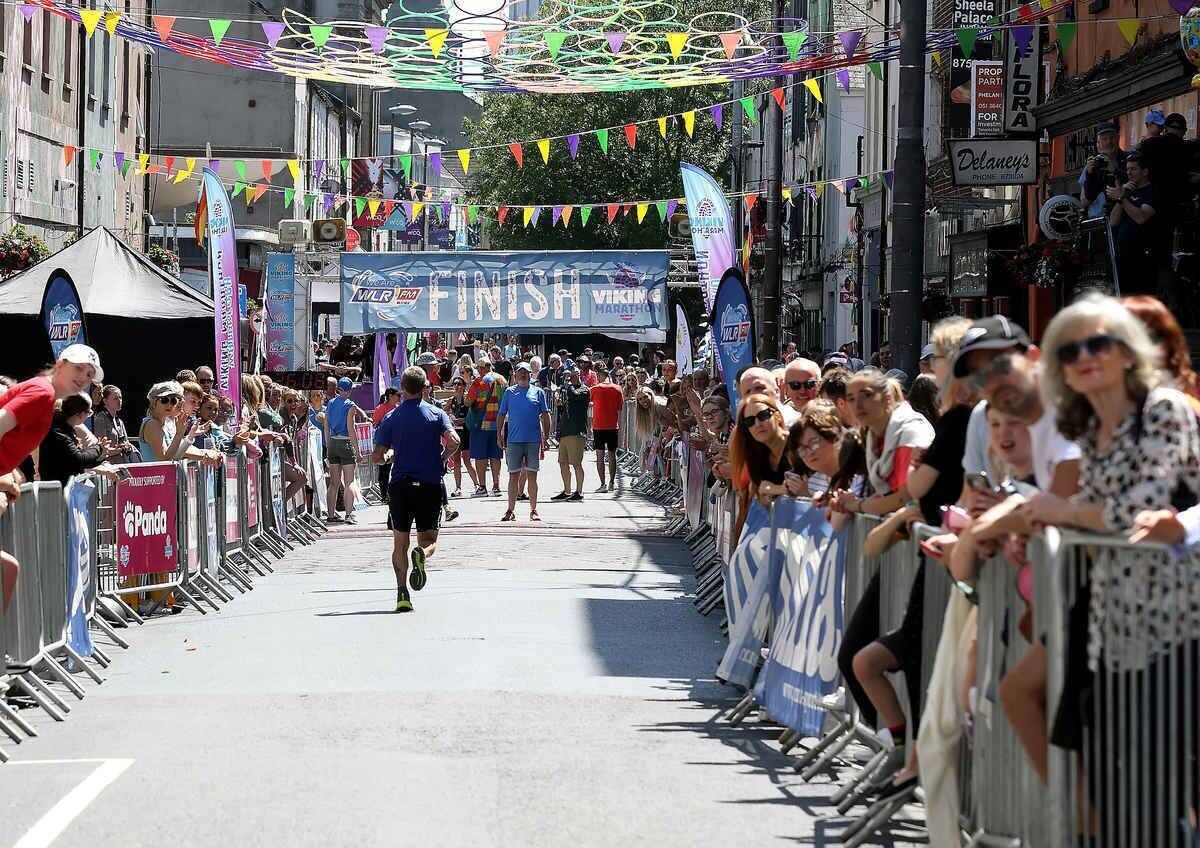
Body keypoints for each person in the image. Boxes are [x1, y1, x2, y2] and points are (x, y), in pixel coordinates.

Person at [1023, 294, 1200, 832]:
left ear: (1129, 352)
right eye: (1069, 351)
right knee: (1108, 781)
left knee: (1160, 791)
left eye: (1098, 343)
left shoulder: (1163, 409)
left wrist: (1063, 510)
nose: (1084, 357)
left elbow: (1137, 510)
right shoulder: (1089, 429)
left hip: (1181, 625)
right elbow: (1105, 518)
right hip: (1113, 627)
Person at [371, 366, 460, 613]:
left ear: (402, 390)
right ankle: (421, 553)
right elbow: (455, 441)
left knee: (400, 542)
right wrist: (442, 457)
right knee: (429, 539)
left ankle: (402, 593)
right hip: (429, 483)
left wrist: (390, 456)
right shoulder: (436, 413)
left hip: (400, 485)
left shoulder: (391, 417)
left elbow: (376, 457)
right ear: (424, 388)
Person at [0, 345, 103, 484]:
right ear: (60, 365)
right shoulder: (43, 392)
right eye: (78, 368)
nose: (84, 377)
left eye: (89, 375)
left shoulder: (47, 397)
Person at [496, 362, 550, 522]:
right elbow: (501, 414)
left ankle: (534, 509)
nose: (523, 375)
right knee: (513, 476)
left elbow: (545, 415)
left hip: (533, 441)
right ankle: (510, 509)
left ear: (530, 374)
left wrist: (546, 437)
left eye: (526, 372)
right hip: (514, 440)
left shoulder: (538, 392)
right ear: (515, 375)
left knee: (532, 476)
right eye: (520, 372)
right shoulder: (509, 392)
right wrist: (498, 435)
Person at [1107, 150, 1164, 296]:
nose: (1129, 173)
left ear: (1145, 172)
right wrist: (1122, 196)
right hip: (1124, 257)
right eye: (1127, 169)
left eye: (1133, 169)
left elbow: (1141, 217)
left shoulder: (1153, 191)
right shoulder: (1127, 192)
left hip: (1143, 259)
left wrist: (1122, 198)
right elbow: (1113, 222)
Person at [37, 395, 121, 485]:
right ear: (80, 414)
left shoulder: (64, 429)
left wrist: (102, 452)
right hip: (56, 490)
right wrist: (99, 448)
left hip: (62, 487)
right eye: (89, 413)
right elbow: (79, 460)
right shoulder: (58, 433)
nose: (88, 416)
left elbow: (79, 458)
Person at [728, 393, 794, 505]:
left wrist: (774, 489)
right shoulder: (757, 455)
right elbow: (761, 498)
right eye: (750, 421)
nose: (757, 424)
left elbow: (808, 489)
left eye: (763, 415)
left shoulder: (798, 444)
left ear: (777, 416)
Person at [324, 377, 364, 524]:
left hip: (333, 443)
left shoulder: (330, 403)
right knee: (349, 481)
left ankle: (330, 515)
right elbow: (351, 428)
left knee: (333, 483)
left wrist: (328, 445)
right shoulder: (350, 405)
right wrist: (357, 450)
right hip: (345, 443)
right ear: (350, 390)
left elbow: (326, 426)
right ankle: (348, 514)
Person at [466, 360, 505, 496]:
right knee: (496, 457)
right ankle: (496, 486)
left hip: (481, 424)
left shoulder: (478, 382)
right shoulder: (501, 380)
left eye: (479, 368)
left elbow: (468, 401)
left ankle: (482, 487)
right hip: (497, 424)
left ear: (482, 368)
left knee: (480, 457)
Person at [552, 366, 590, 501]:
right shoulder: (568, 389)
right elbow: (568, 407)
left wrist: (568, 384)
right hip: (565, 430)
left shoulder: (584, 389)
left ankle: (579, 491)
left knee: (576, 463)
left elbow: (575, 395)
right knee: (563, 462)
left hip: (577, 431)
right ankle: (567, 490)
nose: (570, 377)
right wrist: (560, 405)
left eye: (573, 374)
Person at [1080, 123, 1127, 218]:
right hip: (1099, 218)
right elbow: (1084, 201)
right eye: (1104, 139)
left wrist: (1114, 170)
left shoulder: (1128, 159)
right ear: (1098, 143)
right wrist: (1090, 175)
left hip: (1124, 216)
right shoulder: (1093, 165)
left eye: (1112, 138)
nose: (1109, 142)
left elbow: (1136, 184)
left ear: (1118, 138)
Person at [590, 365, 624, 493]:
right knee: (612, 455)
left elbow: (590, 401)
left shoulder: (594, 389)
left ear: (599, 376)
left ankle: (602, 483)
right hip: (612, 425)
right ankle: (612, 483)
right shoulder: (617, 388)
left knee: (599, 456)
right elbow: (620, 407)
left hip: (598, 425)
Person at [92, 385, 140, 462]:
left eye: (120, 397)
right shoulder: (100, 419)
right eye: (115, 398)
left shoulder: (119, 421)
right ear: (105, 401)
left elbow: (126, 442)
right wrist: (121, 449)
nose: (119, 401)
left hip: (123, 464)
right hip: (109, 466)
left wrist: (127, 446)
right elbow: (100, 450)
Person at [373, 388, 401, 502]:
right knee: (384, 469)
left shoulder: (399, 408)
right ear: (390, 395)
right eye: (397, 395)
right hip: (384, 443)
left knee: (398, 468)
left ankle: (396, 493)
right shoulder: (381, 408)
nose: (399, 397)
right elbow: (375, 423)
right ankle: (385, 495)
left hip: (397, 442)